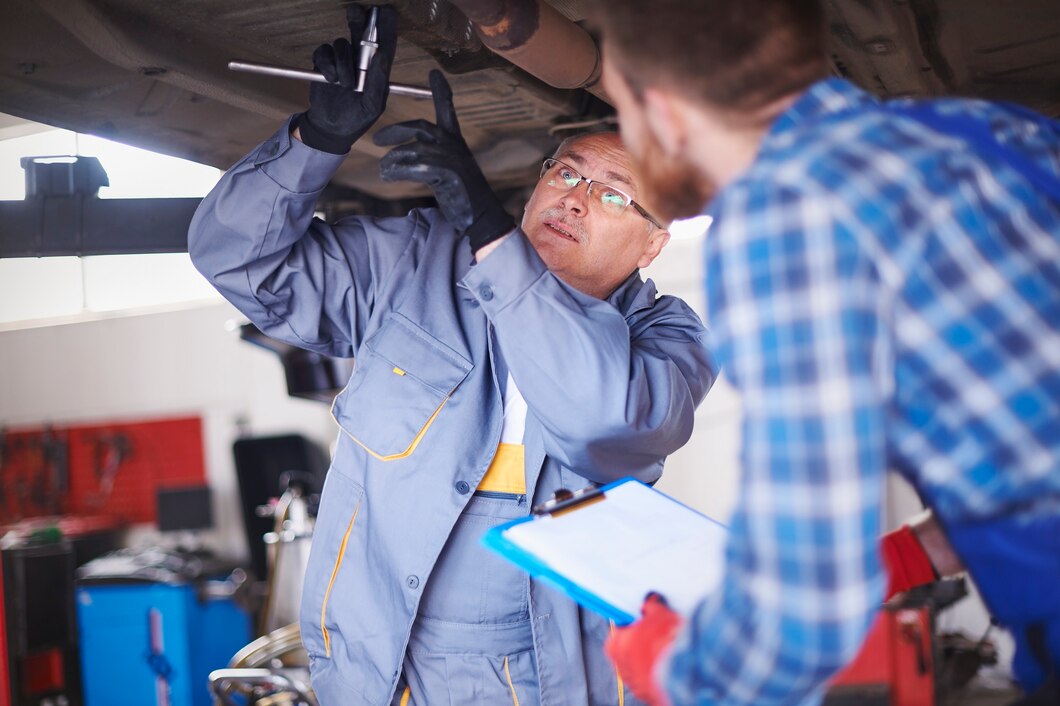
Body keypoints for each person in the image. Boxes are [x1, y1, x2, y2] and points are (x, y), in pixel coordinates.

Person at [188, 6, 717, 705]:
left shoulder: (671, 338)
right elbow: (236, 261)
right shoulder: (415, 261)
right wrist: (318, 140)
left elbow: (604, 422)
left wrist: (494, 236)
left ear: (654, 244)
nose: (576, 201)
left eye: (614, 194)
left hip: (535, 688)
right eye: (567, 174)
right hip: (370, 677)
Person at [593, 1, 1060, 704]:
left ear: (659, 109)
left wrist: (676, 670)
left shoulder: (787, 212)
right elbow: (1025, 435)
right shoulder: (988, 130)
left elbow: (802, 619)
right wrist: (911, 553)